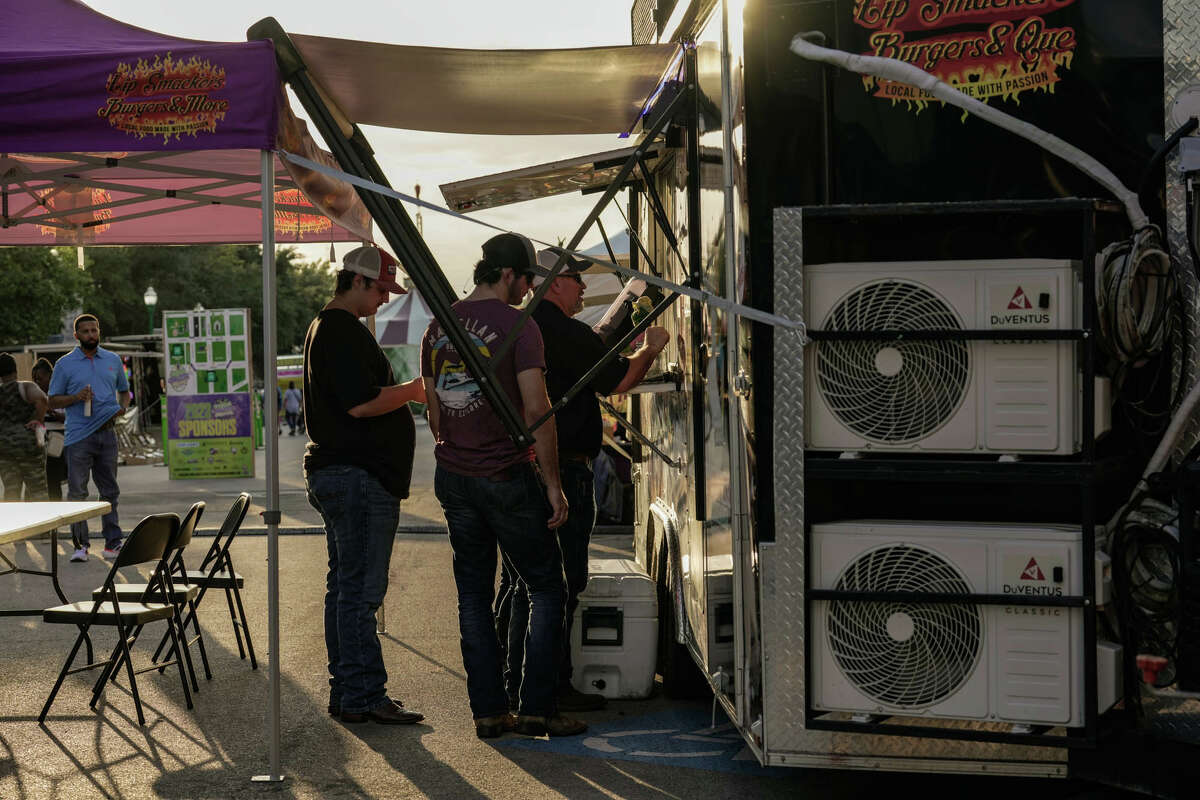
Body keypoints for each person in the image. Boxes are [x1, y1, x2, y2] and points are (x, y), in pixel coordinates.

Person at [421, 232, 585, 739]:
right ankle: (536, 709)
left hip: (454, 476)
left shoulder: (438, 326)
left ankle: (489, 713)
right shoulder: (519, 326)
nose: (528, 289)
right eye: (527, 279)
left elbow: (433, 412)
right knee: (547, 588)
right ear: (508, 273)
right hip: (505, 475)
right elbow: (538, 410)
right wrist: (553, 484)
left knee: (473, 595)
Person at [496, 247, 669, 712]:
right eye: (577, 279)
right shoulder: (562, 331)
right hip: (563, 468)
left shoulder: (520, 326)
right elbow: (619, 380)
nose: (584, 287)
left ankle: (512, 682)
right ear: (554, 282)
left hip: (516, 468)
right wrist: (652, 346)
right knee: (561, 581)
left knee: (519, 581)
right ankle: (548, 686)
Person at [304, 245, 426, 726]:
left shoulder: (331, 326)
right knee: (359, 592)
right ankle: (363, 694)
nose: (384, 299)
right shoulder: (340, 329)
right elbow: (360, 403)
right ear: (356, 281)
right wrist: (414, 390)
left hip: (346, 472)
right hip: (356, 474)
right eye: (380, 289)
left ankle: (349, 691)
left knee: (346, 587)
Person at [48, 314, 130, 563]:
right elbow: (52, 400)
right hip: (78, 437)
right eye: (85, 331)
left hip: (107, 433)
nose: (91, 335)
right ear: (77, 335)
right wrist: (76, 397)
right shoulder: (65, 364)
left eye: (94, 330)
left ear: (98, 332)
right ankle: (80, 546)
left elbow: (124, 391)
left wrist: (122, 408)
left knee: (109, 491)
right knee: (77, 493)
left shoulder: (112, 360)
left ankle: (113, 544)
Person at [0, 352, 49, 502]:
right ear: (15, 370)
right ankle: (43, 518)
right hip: (29, 447)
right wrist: (37, 420)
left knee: (11, 492)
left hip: (5, 449)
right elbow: (43, 399)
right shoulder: (25, 387)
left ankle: (13, 518)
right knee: (38, 491)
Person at [31, 358, 67, 501]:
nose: (37, 382)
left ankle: (55, 507)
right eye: (34, 379)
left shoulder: (60, 394)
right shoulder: (34, 396)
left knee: (53, 481)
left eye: (40, 379)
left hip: (58, 439)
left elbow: (70, 417)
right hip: (40, 440)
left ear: (50, 377)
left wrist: (55, 413)